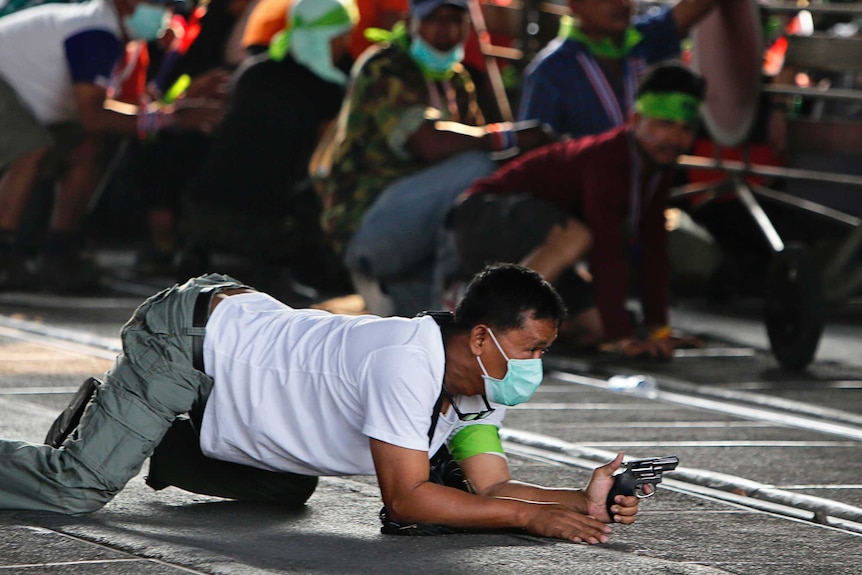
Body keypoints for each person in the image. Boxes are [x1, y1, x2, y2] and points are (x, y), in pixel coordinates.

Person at [0, 264, 644, 543]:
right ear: (480, 336)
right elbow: (406, 499)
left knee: (288, 489)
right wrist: (530, 521)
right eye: (529, 351)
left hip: (236, 366)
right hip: (189, 339)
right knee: (74, 492)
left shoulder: (477, 381)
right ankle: (104, 438)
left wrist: (577, 500)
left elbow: (491, 485)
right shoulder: (406, 362)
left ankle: (127, 427)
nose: (536, 368)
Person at [449, 62, 705, 359]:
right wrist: (624, 338)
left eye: (685, 128)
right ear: (635, 119)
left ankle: (531, 325)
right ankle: (496, 328)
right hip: (479, 217)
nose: (674, 137)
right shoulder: (608, 157)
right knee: (578, 237)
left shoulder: (656, 169)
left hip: (540, 243)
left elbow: (654, 249)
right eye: (664, 124)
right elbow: (605, 251)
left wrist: (657, 330)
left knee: (598, 326)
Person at [318, 0, 554, 318]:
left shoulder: (456, 80)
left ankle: (438, 295)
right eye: (434, 19)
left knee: (428, 341)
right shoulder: (386, 65)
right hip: (370, 226)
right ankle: (453, 289)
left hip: (418, 243)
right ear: (411, 21)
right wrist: (512, 136)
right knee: (477, 168)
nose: (445, 30)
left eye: (456, 19)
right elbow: (431, 143)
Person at [0, 0, 224, 291]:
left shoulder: (127, 47)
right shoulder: (95, 32)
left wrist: (176, 108)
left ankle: (60, 252)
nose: (165, 15)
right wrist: (173, 118)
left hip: (26, 102)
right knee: (31, 149)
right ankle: (3, 257)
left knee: (88, 149)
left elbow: (130, 114)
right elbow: (94, 115)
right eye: (159, 4)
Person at [175, 0, 358, 294]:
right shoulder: (326, 90)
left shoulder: (254, 70)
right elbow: (325, 162)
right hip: (269, 228)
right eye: (341, 37)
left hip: (198, 214)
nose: (346, 46)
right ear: (323, 38)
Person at [517, 0, 723, 138]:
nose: (622, 4)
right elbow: (533, 153)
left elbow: (697, 6)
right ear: (574, 5)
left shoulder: (642, 41)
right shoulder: (550, 72)